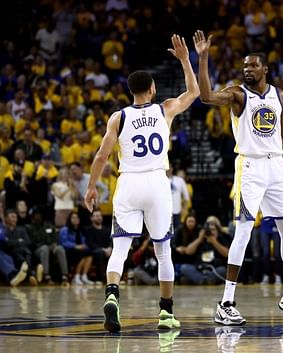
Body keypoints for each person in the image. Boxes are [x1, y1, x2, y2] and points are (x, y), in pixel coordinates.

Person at [194, 30, 283, 325]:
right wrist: (203, 59)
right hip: (249, 168)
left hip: (277, 167)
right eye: (244, 66)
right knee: (244, 231)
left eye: (252, 66)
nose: (247, 69)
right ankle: (226, 302)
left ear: (265, 69)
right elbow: (206, 96)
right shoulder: (238, 94)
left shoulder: (279, 96)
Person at [84, 34, 199, 332]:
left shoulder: (118, 118)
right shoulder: (165, 108)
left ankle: (112, 296)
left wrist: (91, 187)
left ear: (131, 91)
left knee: (120, 249)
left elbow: (101, 156)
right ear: (152, 89)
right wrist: (186, 59)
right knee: (163, 251)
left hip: (129, 184)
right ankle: (165, 313)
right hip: (158, 183)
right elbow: (193, 92)